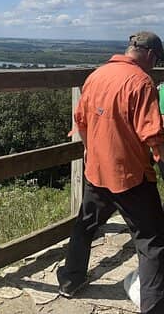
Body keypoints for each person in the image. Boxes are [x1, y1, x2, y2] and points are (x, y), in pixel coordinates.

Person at [57, 31, 164, 313]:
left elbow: (80, 121)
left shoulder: (96, 75)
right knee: (152, 241)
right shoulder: (142, 82)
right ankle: (154, 306)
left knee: (85, 225)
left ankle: (70, 281)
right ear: (150, 55)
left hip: (97, 171)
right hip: (131, 177)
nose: (155, 66)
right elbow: (153, 136)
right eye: (157, 61)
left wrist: (90, 151)